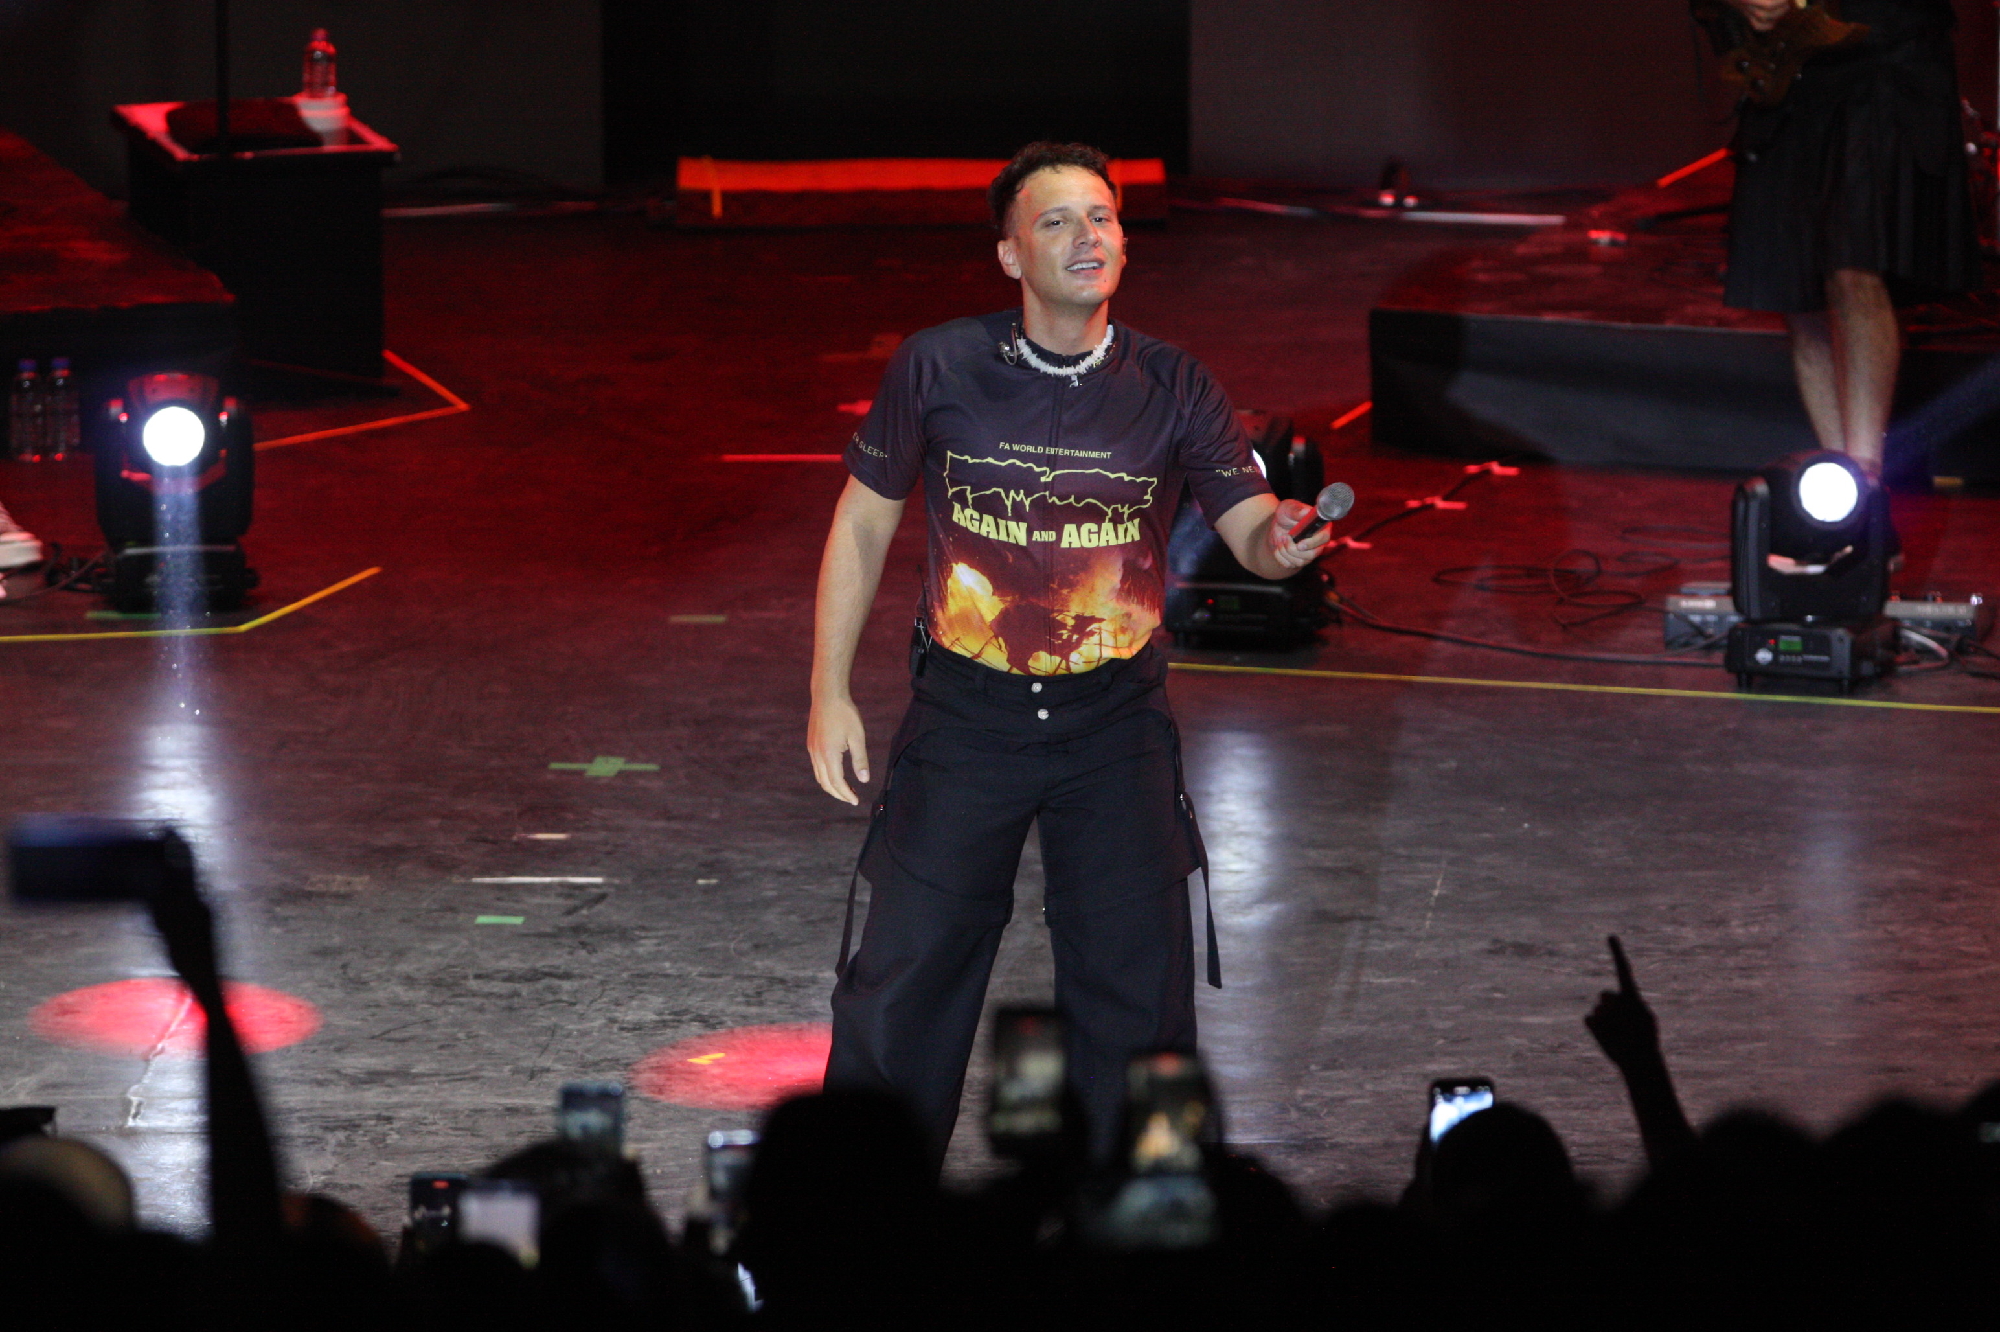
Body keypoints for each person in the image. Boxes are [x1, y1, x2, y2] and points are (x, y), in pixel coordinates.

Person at [806, 141, 1331, 1162]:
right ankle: (861, 1215)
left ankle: (1134, 1219)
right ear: (1009, 255)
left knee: (1139, 997)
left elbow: (1251, 531)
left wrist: (1284, 543)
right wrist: (828, 691)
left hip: (1112, 724)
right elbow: (862, 522)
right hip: (967, 718)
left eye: (1101, 217)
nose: (1086, 236)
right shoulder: (937, 365)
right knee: (903, 982)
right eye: (1055, 221)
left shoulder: (1172, 382)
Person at [1712, 0, 1980, 475]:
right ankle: (1841, 485)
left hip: (1883, 57)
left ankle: (1865, 479)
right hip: (1793, 69)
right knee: (1799, 288)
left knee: (1854, 267)